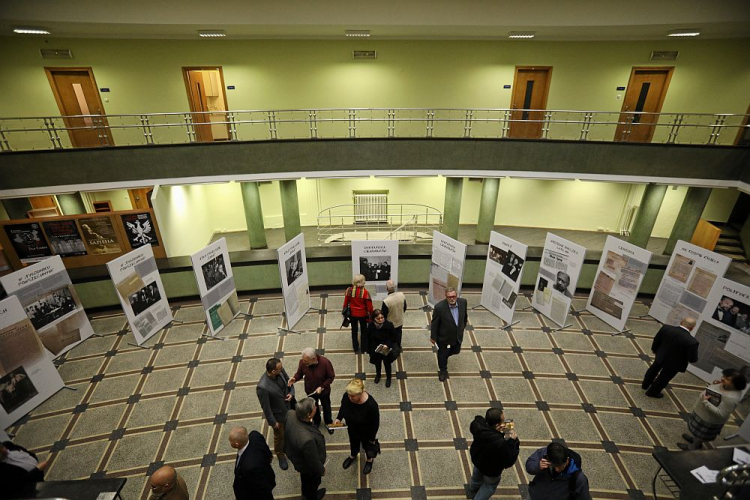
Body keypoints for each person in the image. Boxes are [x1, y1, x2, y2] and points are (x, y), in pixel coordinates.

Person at [677, 367, 747, 450]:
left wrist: (706, 403)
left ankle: (692, 447)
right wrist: (714, 385)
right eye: (723, 376)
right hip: (702, 414)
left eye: (727, 379)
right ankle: (695, 440)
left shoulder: (731, 398)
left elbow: (722, 414)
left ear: (736, 384)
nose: (723, 379)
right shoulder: (726, 386)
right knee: (697, 433)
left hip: (708, 420)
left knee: (700, 435)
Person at [468, 407, 519, 500]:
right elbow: (509, 461)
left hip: (478, 459)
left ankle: (472, 488)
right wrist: (513, 441)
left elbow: (481, 421)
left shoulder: (477, 424)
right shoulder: (500, 443)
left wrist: (499, 430)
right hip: (492, 469)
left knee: (476, 475)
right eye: (503, 420)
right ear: (497, 425)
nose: (505, 422)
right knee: (489, 486)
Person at [641, 317, 699, 398]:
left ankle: (645, 385)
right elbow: (692, 359)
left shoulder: (666, 328)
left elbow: (657, 340)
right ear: (692, 328)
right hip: (674, 364)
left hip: (661, 355)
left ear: (681, 322)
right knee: (664, 377)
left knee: (653, 369)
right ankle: (652, 392)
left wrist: (655, 350)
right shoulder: (692, 342)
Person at [334, 378, 380, 475]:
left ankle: (369, 460)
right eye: (349, 395)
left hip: (366, 432)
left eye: (353, 396)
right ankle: (353, 455)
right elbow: (343, 407)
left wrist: (372, 439)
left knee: (367, 446)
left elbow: (375, 424)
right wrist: (339, 418)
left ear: (361, 393)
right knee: (353, 442)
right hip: (352, 428)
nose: (350, 398)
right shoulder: (347, 396)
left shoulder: (371, 405)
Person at [256, 357, 295, 470]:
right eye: (279, 368)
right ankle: (280, 454)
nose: (282, 369)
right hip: (278, 416)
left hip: (289, 407)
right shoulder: (262, 387)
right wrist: (273, 422)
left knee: (290, 429)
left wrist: (291, 393)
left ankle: (289, 447)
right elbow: (266, 407)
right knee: (279, 436)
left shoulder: (280, 370)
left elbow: (289, 382)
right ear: (273, 371)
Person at [284, 397, 327, 500]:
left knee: (305, 481)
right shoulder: (307, 440)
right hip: (307, 466)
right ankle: (312, 496)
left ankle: (306, 493)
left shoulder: (290, 414)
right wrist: (321, 470)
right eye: (314, 408)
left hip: (294, 454)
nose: (316, 408)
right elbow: (313, 461)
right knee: (312, 482)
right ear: (308, 414)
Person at [289, 348, 336, 434]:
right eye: (303, 360)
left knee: (326, 406)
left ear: (314, 359)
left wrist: (322, 387)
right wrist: (294, 378)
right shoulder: (302, 362)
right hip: (310, 391)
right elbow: (299, 373)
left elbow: (331, 377)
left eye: (306, 361)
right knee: (313, 407)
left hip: (324, 392)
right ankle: (316, 421)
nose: (304, 362)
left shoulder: (325, 363)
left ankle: (328, 422)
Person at [526, 442, 591, 500]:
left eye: (560, 466)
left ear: (567, 460)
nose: (557, 469)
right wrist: (538, 466)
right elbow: (529, 466)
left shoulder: (578, 478)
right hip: (535, 496)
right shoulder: (544, 453)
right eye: (554, 466)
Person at [430, 287, 468, 382]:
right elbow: (434, 324)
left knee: (456, 350)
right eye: (449, 297)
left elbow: (464, 316)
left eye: (453, 296)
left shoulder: (463, 302)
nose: (452, 298)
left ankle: (443, 356)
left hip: (457, 335)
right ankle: (443, 370)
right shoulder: (439, 307)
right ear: (446, 296)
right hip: (443, 336)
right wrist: (433, 337)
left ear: (457, 295)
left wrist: (462, 327)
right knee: (442, 354)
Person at [228, 426, 276, 500]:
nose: (230, 442)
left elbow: (261, 489)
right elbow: (266, 449)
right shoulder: (255, 435)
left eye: (230, 441)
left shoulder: (250, 467)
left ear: (237, 444)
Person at [366, 309, 398, 387]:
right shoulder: (370, 326)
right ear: (374, 319)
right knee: (377, 363)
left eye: (382, 317)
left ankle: (388, 378)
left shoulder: (389, 325)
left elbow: (394, 337)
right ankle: (378, 375)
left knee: (387, 364)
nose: (381, 320)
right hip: (375, 349)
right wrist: (368, 350)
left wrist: (388, 344)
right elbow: (368, 338)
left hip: (385, 349)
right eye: (378, 318)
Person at [342, 274, 373, 353]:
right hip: (363, 314)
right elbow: (369, 307)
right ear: (363, 282)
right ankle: (363, 348)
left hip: (352, 314)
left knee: (354, 330)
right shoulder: (365, 292)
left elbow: (345, 303)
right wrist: (371, 314)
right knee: (363, 331)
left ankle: (355, 347)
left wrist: (344, 312)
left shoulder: (349, 290)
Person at [381, 280, 407, 345]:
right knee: (399, 336)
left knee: (390, 338)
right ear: (395, 287)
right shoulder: (402, 295)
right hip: (400, 321)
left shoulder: (386, 301)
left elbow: (384, 315)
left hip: (390, 324)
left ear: (387, 289)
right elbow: (405, 307)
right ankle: (398, 347)